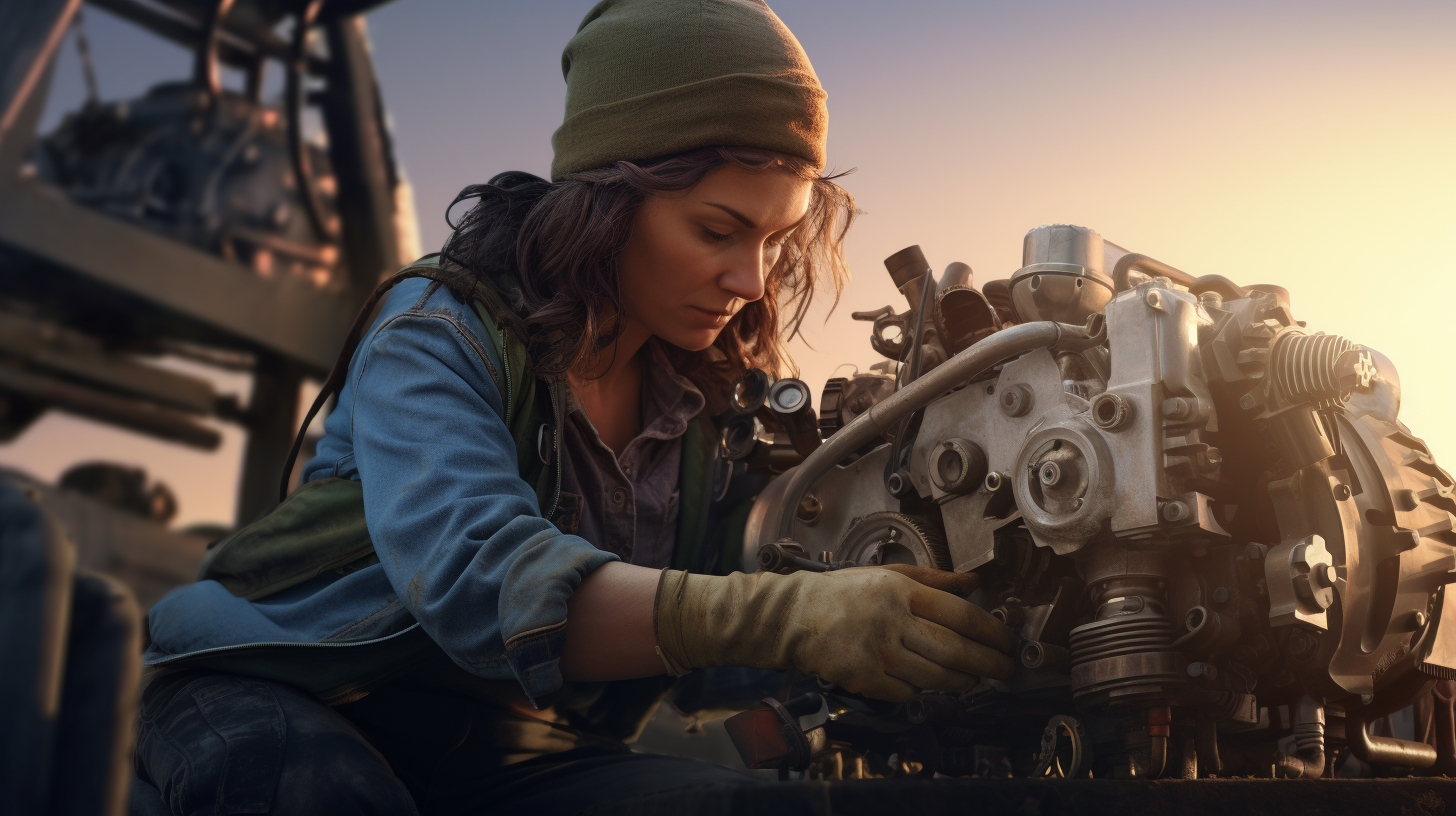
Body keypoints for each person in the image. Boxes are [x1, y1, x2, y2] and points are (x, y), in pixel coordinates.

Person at [132, 1, 1016, 813]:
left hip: (516, 747)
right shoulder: (437, 332)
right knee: (319, 794)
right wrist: (791, 617)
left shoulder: (704, 412)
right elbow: (481, 585)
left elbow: (710, 658)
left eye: (773, 239)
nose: (750, 283)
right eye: (716, 231)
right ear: (606, 202)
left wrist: (905, 624)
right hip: (284, 695)